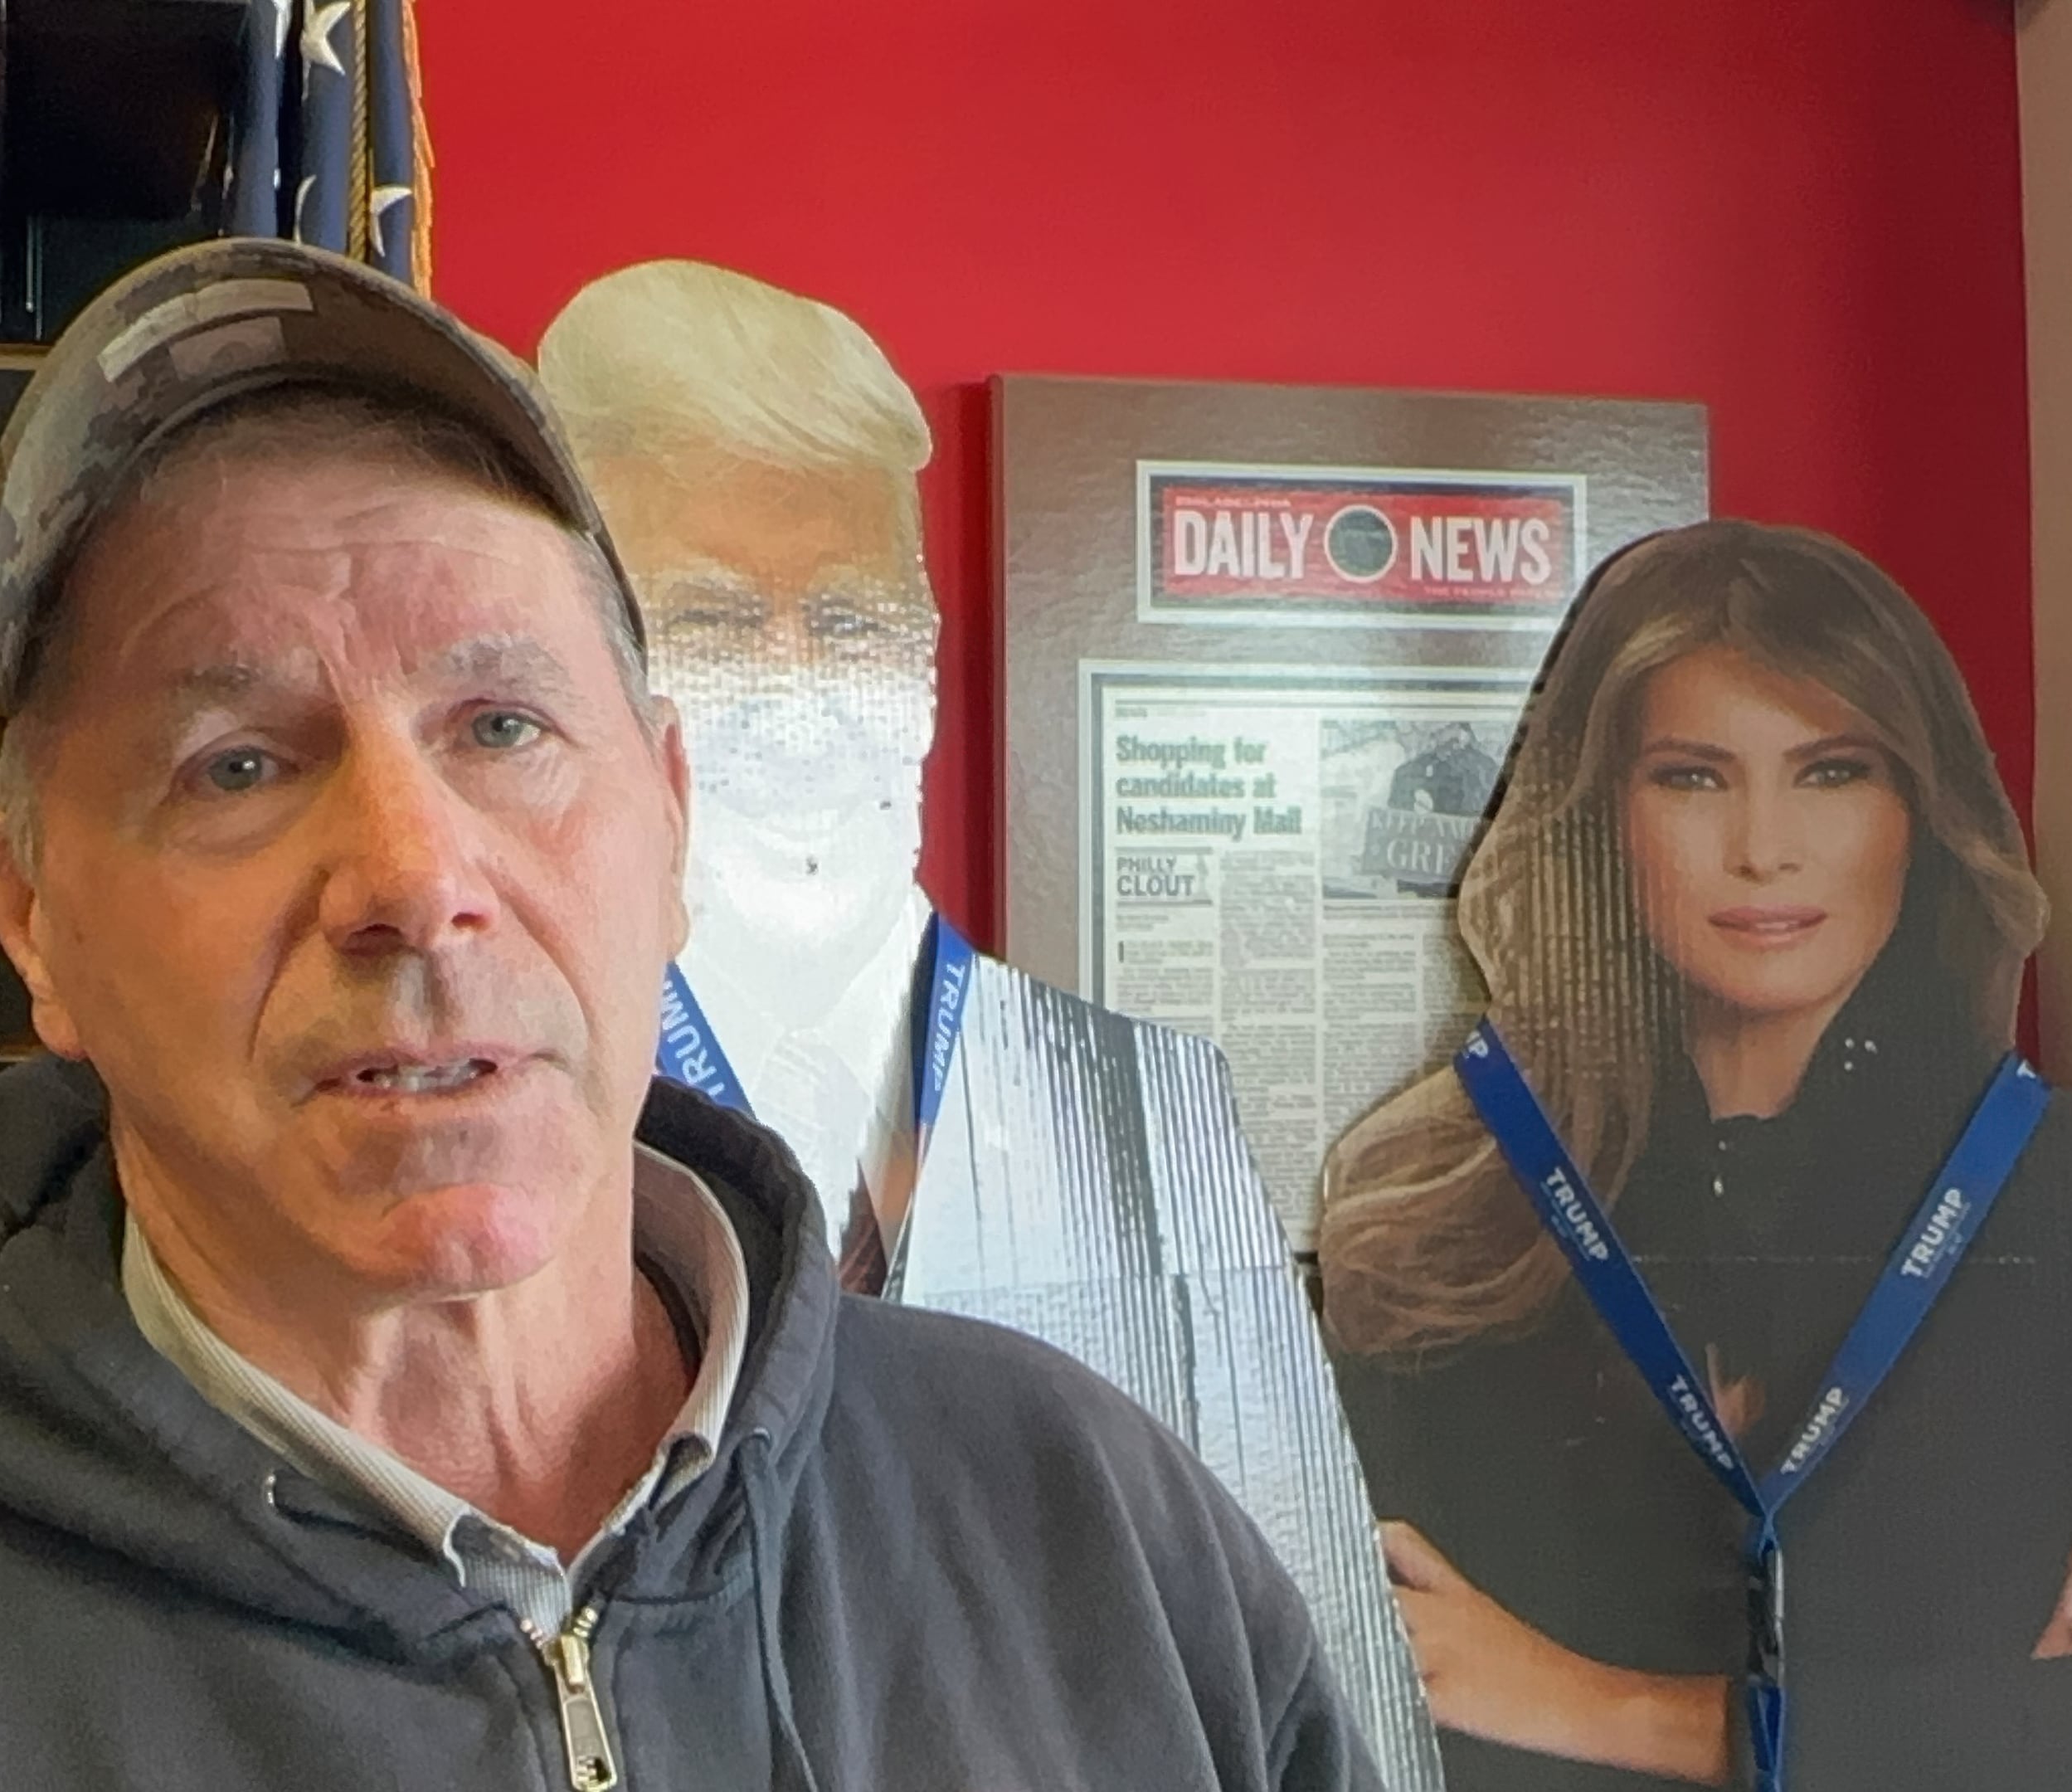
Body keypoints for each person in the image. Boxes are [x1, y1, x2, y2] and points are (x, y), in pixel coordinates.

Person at [0, 239, 1375, 1790]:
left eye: (501, 723)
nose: (415, 872)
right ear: (27, 913)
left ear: (660, 818)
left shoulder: (1094, 1534)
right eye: (237, 762)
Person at [536, 258, 1441, 1786]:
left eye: (850, 617)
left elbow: (1325, 1683)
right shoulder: (515, 1118)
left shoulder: (1148, 1099)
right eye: (711, 621)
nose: (797, 684)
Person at [1316, 521, 2072, 1789]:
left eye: (1833, 773)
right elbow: (1376, 1722)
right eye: (1692, 777)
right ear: (1603, 820)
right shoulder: (1433, 1229)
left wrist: (1587, 1702)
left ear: (1921, 810)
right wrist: (1995, 1727)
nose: (1762, 848)